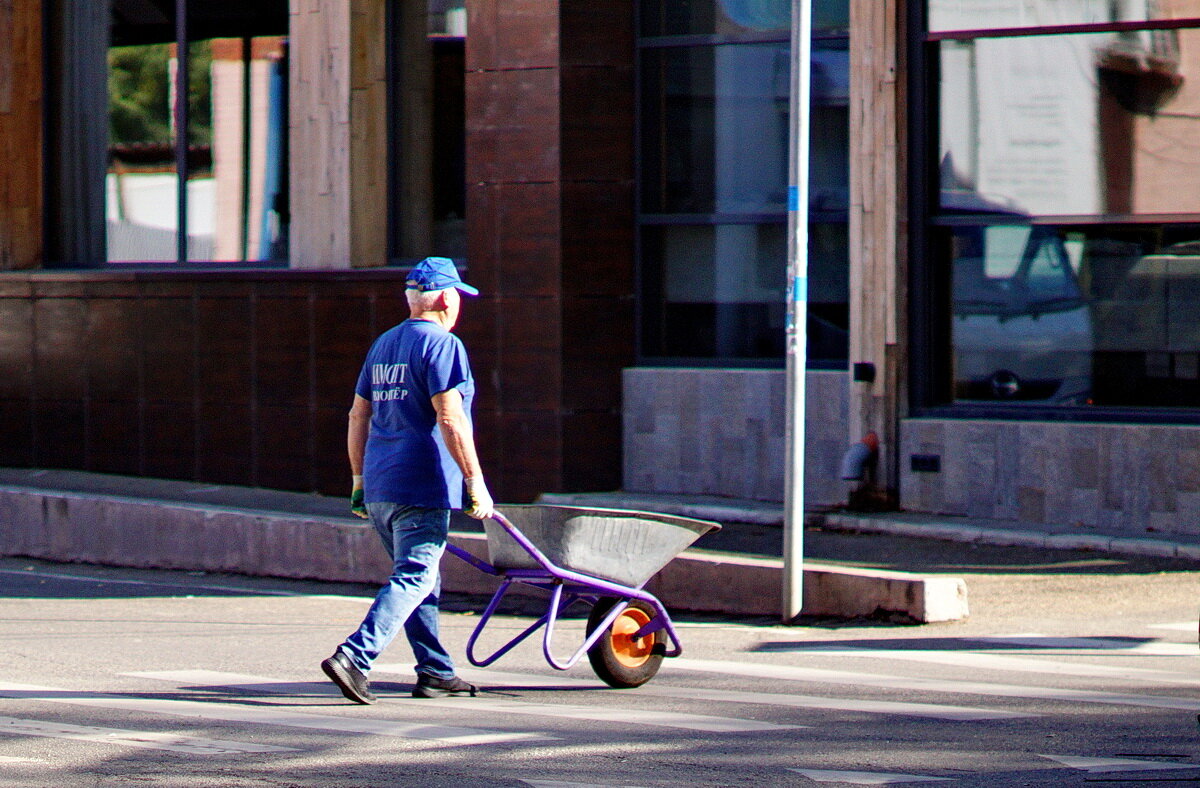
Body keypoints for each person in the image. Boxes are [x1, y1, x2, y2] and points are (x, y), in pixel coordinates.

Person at [321, 256, 495, 704]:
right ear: (442, 298)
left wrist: (359, 479)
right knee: (416, 576)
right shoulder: (442, 346)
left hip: (380, 484)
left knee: (420, 577)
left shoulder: (383, 345)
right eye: (456, 295)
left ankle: (435, 671)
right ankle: (355, 657)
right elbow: (451, 418)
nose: (459, 305)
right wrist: (475, 481)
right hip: (423, 482)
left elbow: (359, 414)